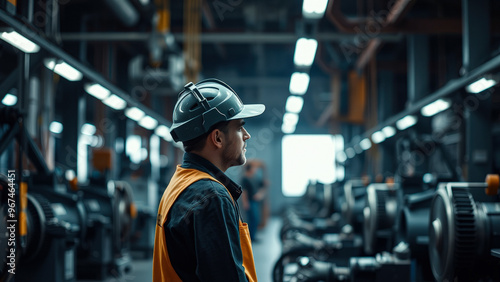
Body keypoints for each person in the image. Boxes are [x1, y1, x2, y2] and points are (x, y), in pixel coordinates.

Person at [153, 79, 265, 282]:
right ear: (218, 138)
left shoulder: (180, 182)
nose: (247, 135)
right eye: (240, 128)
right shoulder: (212, 197)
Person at [241, 160, 268, 241]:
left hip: (254, 201)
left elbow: (262, 185)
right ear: (250, 169)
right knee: (252, 219)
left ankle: (253, 236)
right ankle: (251, 237)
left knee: (255, 219)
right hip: (250, 202)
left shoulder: (253, 178)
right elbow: (244, 192)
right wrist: (245, 203)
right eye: (253, 168)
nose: (255, 170)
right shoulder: (245, 178)